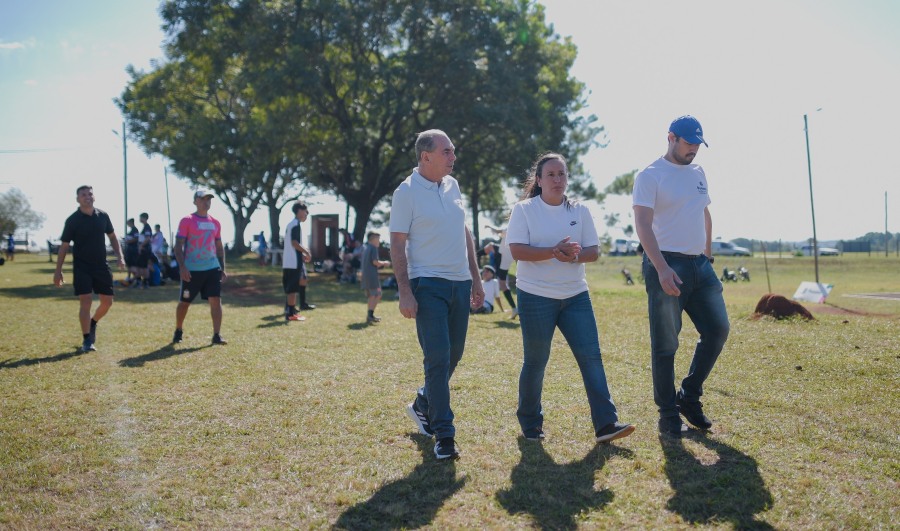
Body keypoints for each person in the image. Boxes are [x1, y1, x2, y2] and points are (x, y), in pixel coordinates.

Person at [507, 152, 634, 444]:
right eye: (550, 174)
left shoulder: (580, 211)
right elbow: (517, 251)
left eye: (561, 174)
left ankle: (606, 425)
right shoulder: (524, 210)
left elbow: (593, 251)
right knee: (536, 361)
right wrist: (553, 251)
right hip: (535, 295)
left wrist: (572, 256)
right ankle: (530, 423)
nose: (557, 179)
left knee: (591, 358)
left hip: (576, 296)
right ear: (538, 180)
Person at [632, 115, 730, 437]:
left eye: (698, 145)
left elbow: (704, 211)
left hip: (700, 265)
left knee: (717, 329)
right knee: (665, 344)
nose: (694, 150)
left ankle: (689, 396)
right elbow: (643, 225)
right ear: (671, 138)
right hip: (666, 263)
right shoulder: (650, 176)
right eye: (688, 143)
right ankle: (667, 415)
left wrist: (708, 255)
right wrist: (661, 268)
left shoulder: (699, 172)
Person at [390, 129, 484, 460]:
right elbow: (397, 242)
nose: (453, 157)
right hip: (427, 284)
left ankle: (422, 402)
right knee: (438, 356)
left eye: (453, 151)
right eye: (447, 152)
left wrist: (476, 277)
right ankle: (444, 434)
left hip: (460, 283)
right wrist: (404, 290)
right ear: (425, 156)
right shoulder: (406, 192)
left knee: (453, 354)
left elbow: (465, 233)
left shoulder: (453, 185)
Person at [53, 185, 126, 353]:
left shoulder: (103, 216)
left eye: (90, 194)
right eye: (83, 195)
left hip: (101, 265)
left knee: (107, 302)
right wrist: (58, 270)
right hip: (82, 267)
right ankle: (87, 340)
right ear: (78, 199)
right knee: (85, 300)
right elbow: (64, 247)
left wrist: (120, 256)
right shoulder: (72, 220)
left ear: (94, 196)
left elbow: (113, 237)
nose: (88, 196)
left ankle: (93, 322)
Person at [172, 190, 228, 345]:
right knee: (185, 302)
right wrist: (182, 267)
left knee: (216, 300)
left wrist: (222, 267)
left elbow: (219, 246)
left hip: (212, 268)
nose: (207, 202)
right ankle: (178, 330)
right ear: (195, 201)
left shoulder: (215, 222)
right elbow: (178, 246)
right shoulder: (187, 220)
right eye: (203, 199)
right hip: (192, 270)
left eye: (209, 199)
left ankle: (217, 335)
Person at [282, 202, 312, 321]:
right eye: (305, 211)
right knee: (292, 288)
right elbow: (294, 243)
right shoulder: (295, 224)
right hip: (292, 262)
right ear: (299, 210)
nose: (306, 214)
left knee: (292, 288)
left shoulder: (292, 224)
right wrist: (306, 252)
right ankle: (290, 313)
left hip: (290, 261)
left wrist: (302, 253)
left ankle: (291, 311)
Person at [484, 224, 518, 317]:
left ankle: (515, 308)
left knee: (502, 284)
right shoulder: (517, 227)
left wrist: (489, 227)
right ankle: (515, 308)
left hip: (503, 258)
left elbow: (499, 231)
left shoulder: (512, 226)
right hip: (504, 255)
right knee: (490, 246)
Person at [359, 232, 391, 323]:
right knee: (377, 294)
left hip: (365, 276)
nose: (379, 241)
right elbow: (375, 262)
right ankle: (370, 315)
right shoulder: (373, 248)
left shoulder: (366, 248)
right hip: (371, 276)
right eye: (378, 239)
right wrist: (385, 263)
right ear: (373, 239)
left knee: (371, 295)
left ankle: (370, 315)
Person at [135, 212, 153, 288]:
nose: (140, 219)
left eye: (141, 217)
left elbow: (148, 238)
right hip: (143, 249)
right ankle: (140, 282)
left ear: (144, 218)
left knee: (144, 267)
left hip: (145, 249)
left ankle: (145, 283)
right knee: (140, 266)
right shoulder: (144, 227)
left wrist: (141, 246)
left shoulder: (147, 227)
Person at [123, 218, 139, 284]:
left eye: (128, 223)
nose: (127, 224)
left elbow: (136, 238)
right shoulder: (131, 230)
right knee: (129, 264)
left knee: (133, 265)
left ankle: (136, 278)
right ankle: (129, 277)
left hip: (133, 250)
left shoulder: (135, 230)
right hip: (129, 249)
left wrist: (128, 241)